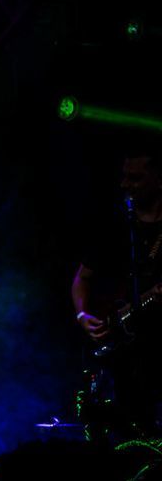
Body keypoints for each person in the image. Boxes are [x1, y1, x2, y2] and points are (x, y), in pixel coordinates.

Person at [72, 146, 162, 436]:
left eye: (134, 178)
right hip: (124, 354)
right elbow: (82, 279)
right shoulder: (116, 226)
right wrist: (82, 314)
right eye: (124, 177)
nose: (125, 185)